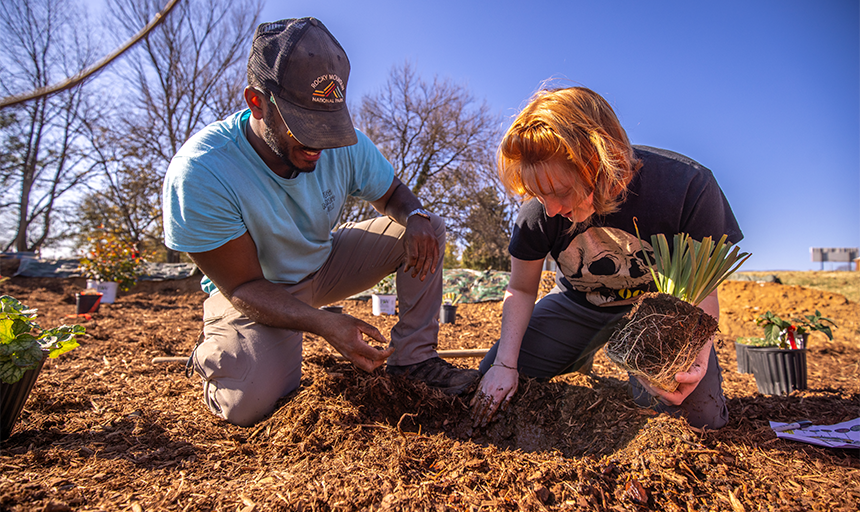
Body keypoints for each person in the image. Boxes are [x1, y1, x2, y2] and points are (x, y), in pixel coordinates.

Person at [163, 17, 479, 427]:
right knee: (249, 403)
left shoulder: (340, 145)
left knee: (426, 227)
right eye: (303, 125)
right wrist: (323, 324)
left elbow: (394, 194)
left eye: (327, 125)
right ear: (256, 102)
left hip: (322, 265)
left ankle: (415, 361)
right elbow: (242, 285)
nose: (318, 143)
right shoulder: (202, 171)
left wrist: (414, 213)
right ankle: (220, 351)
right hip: (256, 289)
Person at [470, 86, 742, 430]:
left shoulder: (688, 188)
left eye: (561, 192)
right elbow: (521, 290)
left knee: (695, 419)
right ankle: (576, 352)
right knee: (493, 378)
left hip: (658, 315)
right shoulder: (538, 213)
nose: (550, 209)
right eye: (538, 194)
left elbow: (703, 290)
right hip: (578, 305)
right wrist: (505, 366)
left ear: (600, 161)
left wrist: (695, 353)